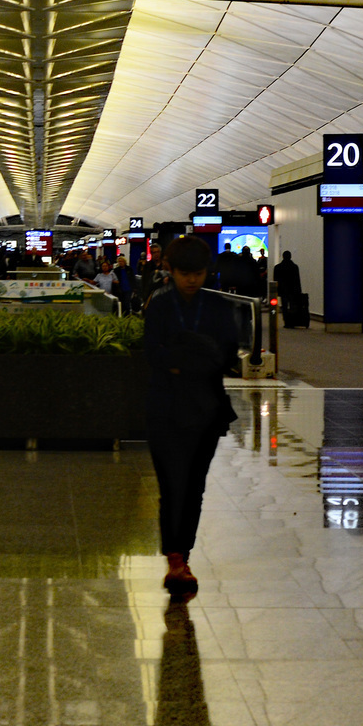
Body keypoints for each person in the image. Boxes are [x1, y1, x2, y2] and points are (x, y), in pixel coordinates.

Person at [144, 237, 239, 600]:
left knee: (194, 486)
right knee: (172, 485)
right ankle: (174, 558)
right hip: (165, 410)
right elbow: (153, 353)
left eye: (198, 274)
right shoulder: (161, 306)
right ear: (171, 270)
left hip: (206, 410)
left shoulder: (216, 306)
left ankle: (184, 554)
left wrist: (182, 357)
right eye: (185, 274)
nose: (191, 281)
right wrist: (195, 355)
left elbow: (226, 353)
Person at [272, 251, 303, 327]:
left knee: (284, 306)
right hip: (292, 290)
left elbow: (275, 280)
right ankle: (292, 321)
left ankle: (286, 322)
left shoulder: (278, 267)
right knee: (292, 306)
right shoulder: (294, 267)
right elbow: (297, 280)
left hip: (283, 290)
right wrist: (299, 291)